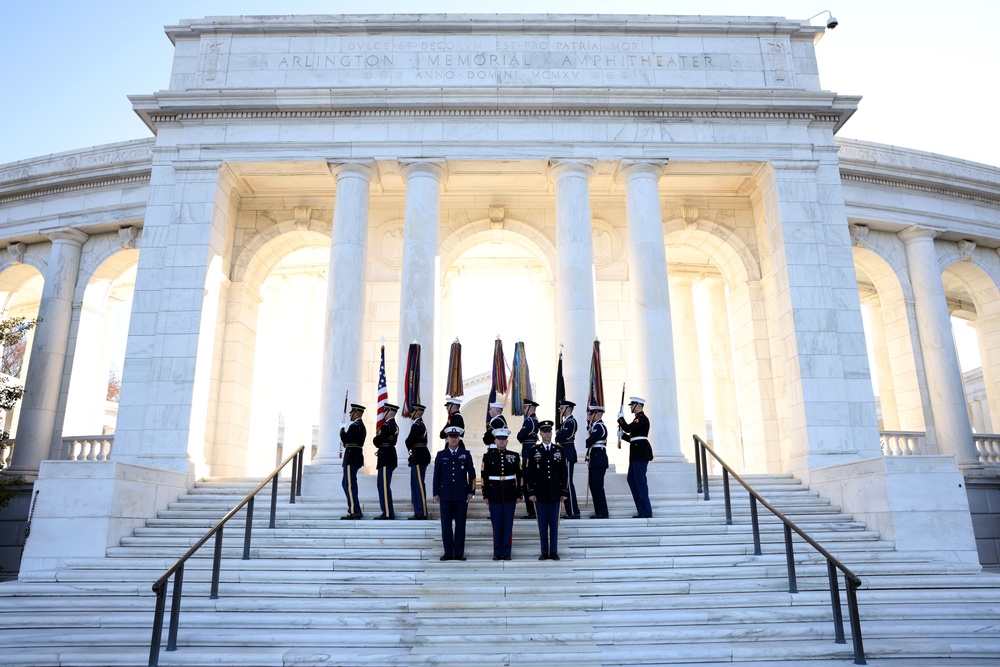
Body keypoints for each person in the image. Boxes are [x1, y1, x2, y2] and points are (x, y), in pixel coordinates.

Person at [524, 420, 568, 560]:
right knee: (542, 524)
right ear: (540, 433)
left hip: (555, 493)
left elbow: (564, 472)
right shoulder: (534, 451)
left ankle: (553, 551)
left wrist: (564, 492)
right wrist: (530, 492)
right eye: (544, 431)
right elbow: (529, 473)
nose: (547, 433)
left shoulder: (559, 450)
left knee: (554, 524)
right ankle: (544, 552)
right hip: (540, 493)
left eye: (549, 430)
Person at [433, 425, 476, 561]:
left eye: (455, 437)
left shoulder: (465, 454)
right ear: (447, 438)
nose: (453, 439)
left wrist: (471, 491)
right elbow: (436, 475)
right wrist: (436, 492)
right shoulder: (441, 455)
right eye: (451, 437)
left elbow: (472, 474)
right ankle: (447, 552)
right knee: (446, 524)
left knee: (460, 524)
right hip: (445, 494)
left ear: (459, 438)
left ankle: (458, 552)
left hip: (461, 494)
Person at [481, 427, 521, 560]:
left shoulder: (514, 456)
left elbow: (520, 475)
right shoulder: (487, 457)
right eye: (499, 439)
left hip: (510, 493)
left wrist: (519, 493)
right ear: (495, 440)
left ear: (507, 441)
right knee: (496, 524)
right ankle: (498, 552)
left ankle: (507, 552)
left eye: (504, 439)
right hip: (494, 493)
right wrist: (485, 495)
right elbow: (484, 477)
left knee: (508, 524)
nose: (502, 441)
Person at [618, 396, 654, 518]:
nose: (630, 408)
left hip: (641, 453)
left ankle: (646, 511)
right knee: (631, 480)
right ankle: (641, 508)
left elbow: (628, 428)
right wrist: (622, 436)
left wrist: (621, 419)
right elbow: (632, 437)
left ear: (638, 405)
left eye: (632, 405)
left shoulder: (641, 419)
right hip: (636, 454)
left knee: (640, 481)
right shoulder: (637, 420)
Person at [340, 403, 367, 520]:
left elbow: (345, 439)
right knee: (346, 483)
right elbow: (347, 442)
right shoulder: (359, 426)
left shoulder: (355, 426)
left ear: (356, 413)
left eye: (351, 413)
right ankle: (355, 509)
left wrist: (341, 430)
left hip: (352, 457)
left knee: (350, 485)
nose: (350, 414)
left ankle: (354, 511)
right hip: (352, 456)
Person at [372, 403, 399, 520]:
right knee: (383, 485)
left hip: (385, 457)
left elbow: (377, 441)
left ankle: (387, 512)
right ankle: (387, 511)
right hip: (388, 455)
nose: (383, 414)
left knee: (383, 485)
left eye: (385, 411)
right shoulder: (394, 425)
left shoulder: (387, 425)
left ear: (389, 413)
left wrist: (376, 439)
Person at [404, 403, 431, 520]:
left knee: (419, 485)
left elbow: (409, 441)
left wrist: (408, 443)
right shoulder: (420, 424)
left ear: (417, 412)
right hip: (417, 456)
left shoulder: (417, 425)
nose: (410, 414)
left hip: (419, 456)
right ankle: (418, 511)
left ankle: (422, 512)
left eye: (412, 412)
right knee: (415, 485)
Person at [556, 400, 580, 519]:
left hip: (568, 453)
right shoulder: (565, 422)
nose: (559, 410)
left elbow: (561, 436)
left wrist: (558, 435)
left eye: (561, 408)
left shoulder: (571, 422)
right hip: (564, 452)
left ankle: (574, 511)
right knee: (565, 483)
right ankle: (569, 510)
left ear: (568, 409)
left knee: (568, 483)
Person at [585, 404, 610, 519]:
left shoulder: (599, 427)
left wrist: (589, 435)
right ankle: (599, 511)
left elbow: (589, 442)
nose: (589, 416)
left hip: (598, 460)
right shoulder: (594, 426)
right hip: (594, 460)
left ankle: (603, 512)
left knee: (597, 486)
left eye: (591, 414)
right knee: (593, 486)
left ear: (598, 414)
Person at [516, 399, 539, 519]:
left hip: (528, 452)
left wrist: (520, 436)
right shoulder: (534, 420)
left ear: (530, 408)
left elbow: (520, 436)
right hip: (529, 450)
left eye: (525, 408)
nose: (524, 410)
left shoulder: (529, 421)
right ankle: (531, 510)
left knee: (528, 482)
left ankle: (531, 510)